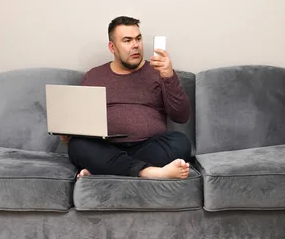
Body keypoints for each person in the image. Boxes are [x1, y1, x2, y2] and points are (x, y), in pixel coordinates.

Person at [65, 16, 193, 179]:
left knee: (180, 142)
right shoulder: (94, 76)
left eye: (138, 39)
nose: (136, 46)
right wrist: (68, 133)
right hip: (106, 147)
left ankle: (103, 168)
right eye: (127, 40)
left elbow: (181, 116)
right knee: (77, 146)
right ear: (112, 47)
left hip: (149, 146)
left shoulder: (158, 71)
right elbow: (81, 121)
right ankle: (150, 172)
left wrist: (169, 76)